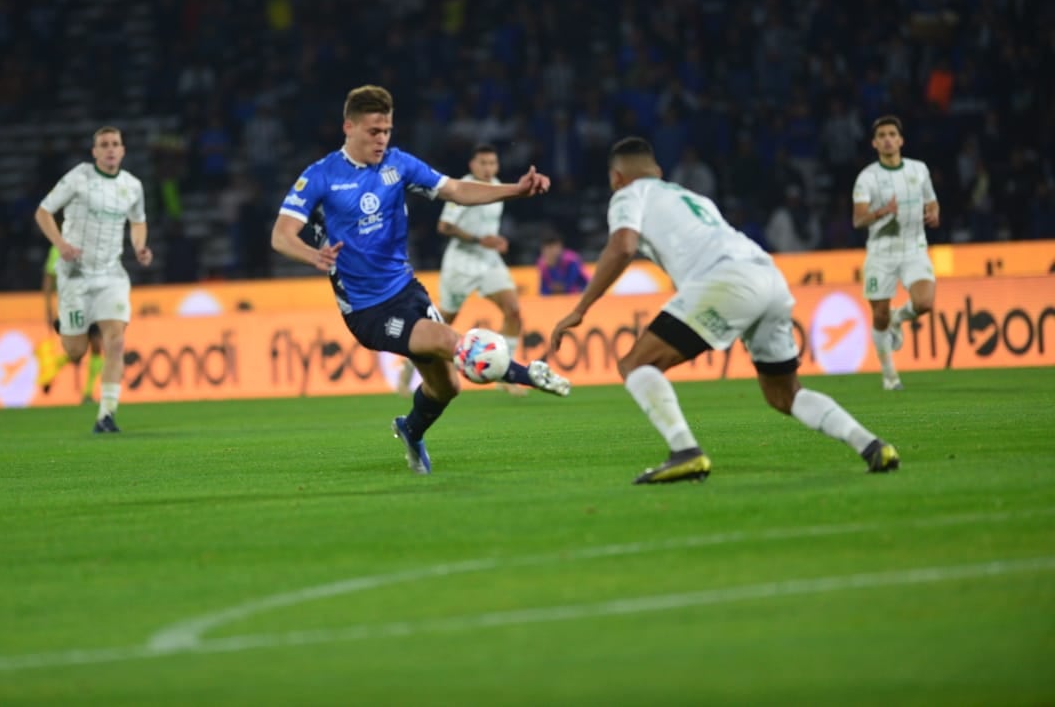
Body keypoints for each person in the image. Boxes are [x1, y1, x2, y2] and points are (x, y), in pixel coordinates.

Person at [550, 137, 900, 484]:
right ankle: (872, 446)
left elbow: (622, 245)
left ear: (615, 178)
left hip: (725, 279)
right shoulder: (691, 196)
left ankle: (685, 451)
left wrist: (582, 307)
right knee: (784, 393)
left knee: (635, 364)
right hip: (768, 275)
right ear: (657, 170)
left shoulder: (628, 194)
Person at [270, 85, 570, 476]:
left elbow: (456, 190)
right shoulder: (321, 176)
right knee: (449, 342)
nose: (382, 139)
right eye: (373, 131)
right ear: (349, 126)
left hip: (407, 289)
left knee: (447, 388)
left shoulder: (398, 165)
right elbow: (281, 234)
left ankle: (410, 429)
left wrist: (514, 189)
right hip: (367, 309)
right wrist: (314, 255)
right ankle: (527, 373)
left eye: (387, 130)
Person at [34, 126, 152, 434]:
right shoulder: (78, 178)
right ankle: (71, 328)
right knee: (75, 352)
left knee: (116, 341)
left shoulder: (132, 186)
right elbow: (43, 212)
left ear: (123, 150)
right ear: (95, 152)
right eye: (104, 144)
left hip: (111, 274)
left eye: (115, 144)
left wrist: (139, 246)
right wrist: (60, 245)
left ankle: (107, 414)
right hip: (75, 274)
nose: (111, 149)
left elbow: (138, 221)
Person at [402, 143, 526, 396]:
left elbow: (486, 228)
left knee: (513, 311)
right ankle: (406, 371)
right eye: (483, 163)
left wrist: (494, 241)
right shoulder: (463, 189)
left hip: (489, 261)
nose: (488, 168)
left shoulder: (497, 186)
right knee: (441, 324)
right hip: (460, 265)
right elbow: (444, 227)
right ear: (472, 165)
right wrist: (481, 240)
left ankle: (505, 374)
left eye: (492, 163)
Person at [852, 115, 940, 391]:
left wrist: (934, 210)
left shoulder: (919, 170)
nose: (888, 139)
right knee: (879, 315)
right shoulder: (867, 178)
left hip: (914, 248)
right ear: (874, 143)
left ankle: (898, 318)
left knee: (924, 303)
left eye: (892, 134)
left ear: (901, 140)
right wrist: (881, 212)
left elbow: (932, 200)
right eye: (882, 136)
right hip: (881, 252)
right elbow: (858, 220)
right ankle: (890, 376)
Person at [34, 243, 105, 402]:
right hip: (72, 304)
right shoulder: (57, 249)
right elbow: (49, 277)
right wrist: (48, 308)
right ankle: (52, 367)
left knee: (95, 344)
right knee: (77, 351)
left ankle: (87, 393)